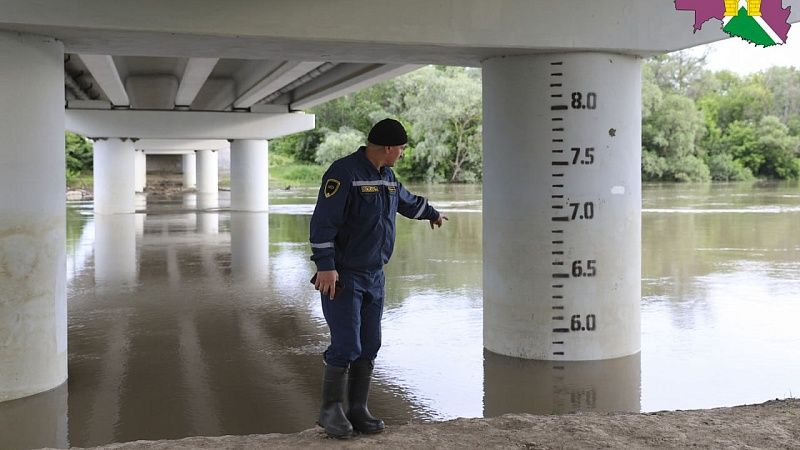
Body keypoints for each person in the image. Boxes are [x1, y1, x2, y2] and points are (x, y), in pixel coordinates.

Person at [309, 118, 447, 438]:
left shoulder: (387, 176)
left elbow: (406, 201)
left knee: (370, 344)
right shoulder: (343, 173)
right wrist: (326, 266)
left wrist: (432, 214)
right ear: (387, 148)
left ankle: (357, 409)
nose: (401, 154)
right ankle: (330, 411)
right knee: (346, 344)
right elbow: (322, 224)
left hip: (375, 276)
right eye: (400, 149)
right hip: (344, 276)